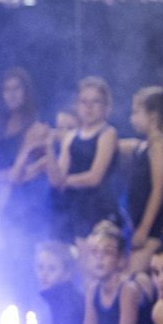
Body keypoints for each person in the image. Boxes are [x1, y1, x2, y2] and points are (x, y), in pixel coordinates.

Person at [46, 220, 154, 324]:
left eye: (107, 253)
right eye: (94, 253)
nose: (99, 259)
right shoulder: (93, 289)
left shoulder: (128, 289)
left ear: (121, 260)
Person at [0, 67, 51, 248]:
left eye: (16, 89)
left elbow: (24, 173)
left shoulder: (36, 125)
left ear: (26, 92)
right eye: (7, 89)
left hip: (24, 199)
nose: (11, 94)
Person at [46, 78, 118, 244]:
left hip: (95, 207)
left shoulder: (107, 133)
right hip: (71, 207)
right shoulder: (71, 137)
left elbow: (94, 177)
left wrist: (66, 181)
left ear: (106, 106)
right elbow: (57, 179)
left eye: (95, 102)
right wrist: (48, 147)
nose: (88, 107)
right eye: (84, 101)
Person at [116, 86, 163, 273]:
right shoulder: (144, 145)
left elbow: (159, 189)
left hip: (153, 228)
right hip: (140, 223)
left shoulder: (158, 146)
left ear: (153, 116)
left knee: (131, 277)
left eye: (136, 112)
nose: (132, 118)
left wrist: (144, 229)